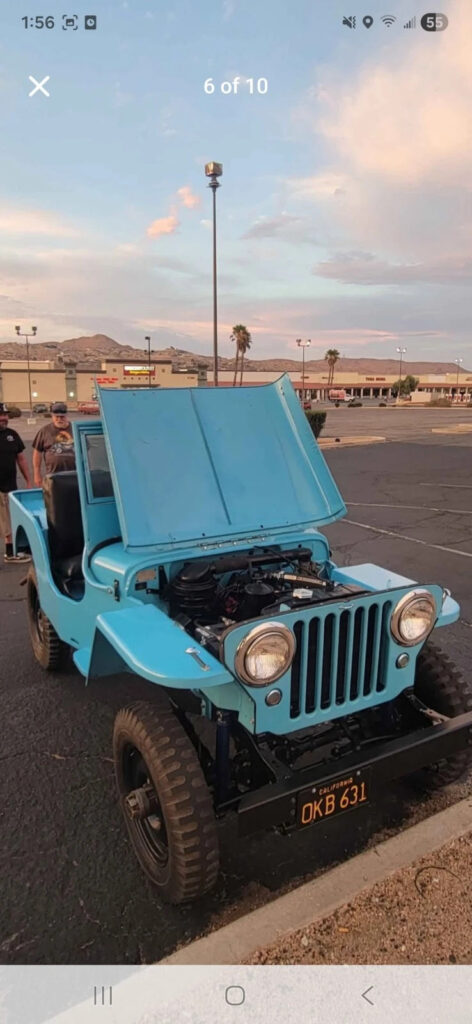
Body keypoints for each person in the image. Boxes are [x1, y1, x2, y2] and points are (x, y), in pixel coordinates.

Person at [0, 402, 32, 563]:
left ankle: (14, 549)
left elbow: (21, 459)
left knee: (9, 518)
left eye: (5, 415)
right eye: (1, 415)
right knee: (4, 520)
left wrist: (28, 481)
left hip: (10, 486)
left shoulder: (12, 435)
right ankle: (10, 552)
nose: (4, 418)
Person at [32, 402, 76, 485]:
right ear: (52, 416)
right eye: (56, 416)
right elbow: (37, 452)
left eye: (62, 417)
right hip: (53, 476)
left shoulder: (75, 429)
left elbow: (85, 451)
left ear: (67, 415)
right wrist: (37, 474)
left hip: (75, 475)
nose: (59, 419)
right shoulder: (44, 431)